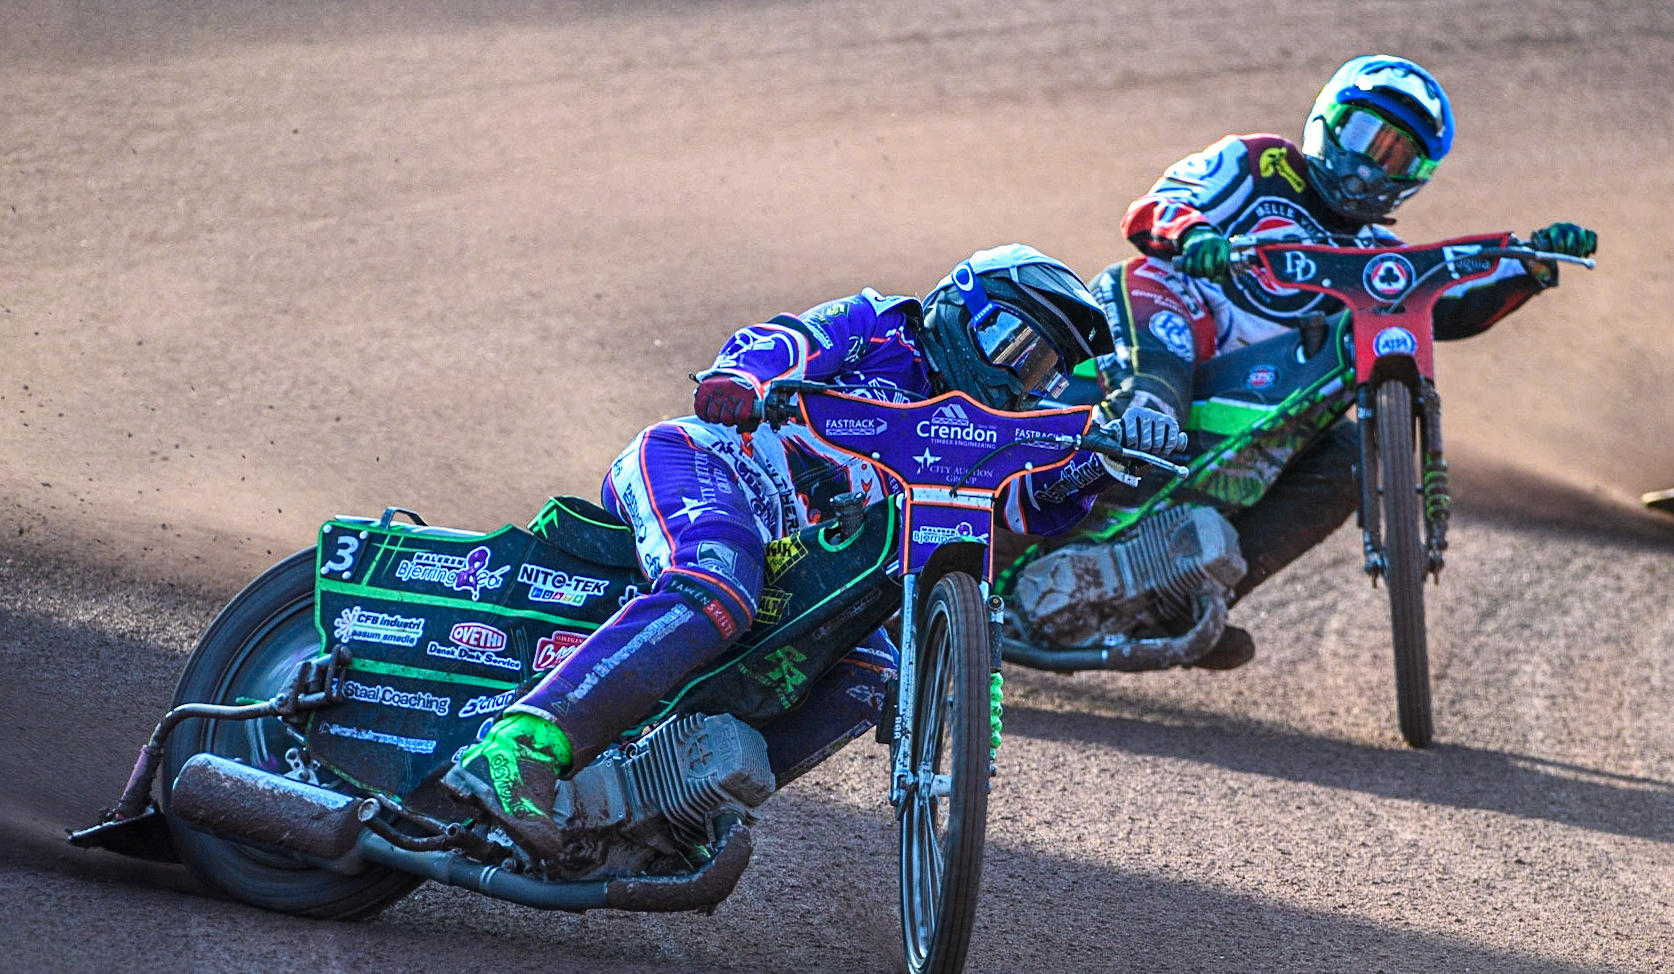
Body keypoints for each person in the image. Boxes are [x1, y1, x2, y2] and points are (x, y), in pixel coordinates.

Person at [444, 244, 1184, 857]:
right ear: (963, 308)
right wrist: (740, 379)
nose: (1021, 378)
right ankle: (515, 748)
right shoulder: (884, 323)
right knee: (718, 586)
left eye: (1040, 370)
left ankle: (670, 809)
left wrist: (1103, 461)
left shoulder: (983, 428)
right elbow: (787, 340)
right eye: (1015, 347)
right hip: (706, 465)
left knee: (869, 669)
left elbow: (1027, 501)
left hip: (797, 561)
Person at [1089, 54, 1598, 667]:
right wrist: (1197, 236)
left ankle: (1187, 604)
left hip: (1255, 395)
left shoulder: (1379, 255)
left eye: (1396, 157)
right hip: (1170, 312)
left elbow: (1449, 309)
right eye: (1363, 137)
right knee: (1154, 401)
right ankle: (1065, 486)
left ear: (1418, 175)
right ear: (1327, 122)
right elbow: (1158, 205)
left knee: (1350, 456)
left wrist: (1531, 267)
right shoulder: (1254, 163)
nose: (1369, 168)